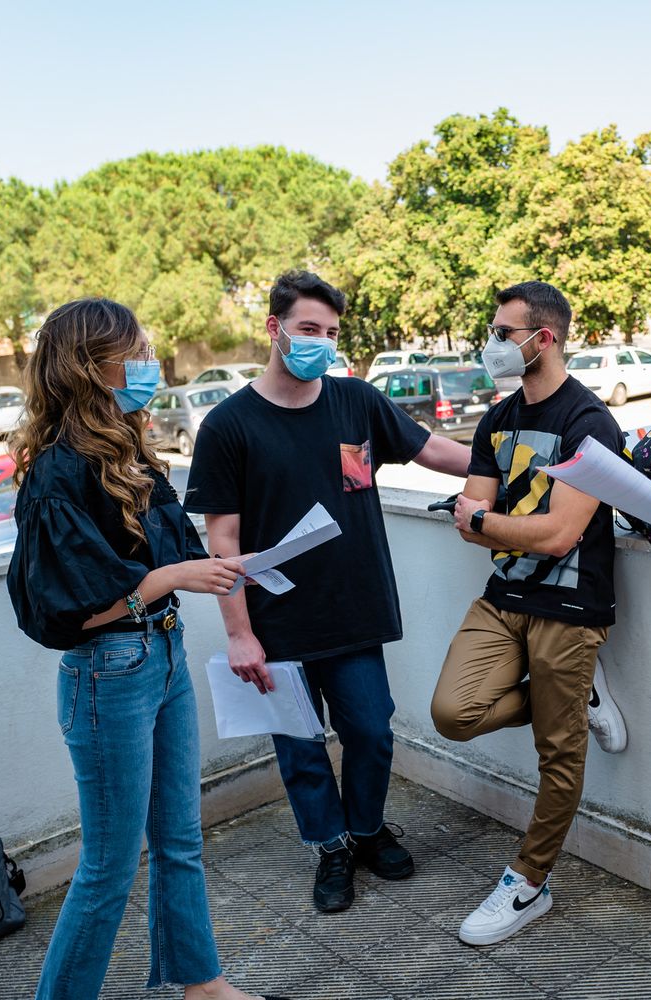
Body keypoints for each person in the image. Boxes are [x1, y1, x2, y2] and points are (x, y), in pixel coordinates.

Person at [7, 298, 287, 1000]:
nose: (150, 364)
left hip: (161, 657)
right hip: (109, 675)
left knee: (180, 841)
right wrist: (166, 578)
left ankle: (203, 985)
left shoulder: (127, 451)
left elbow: (172, 557)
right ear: (90, 367)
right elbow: (69, 607)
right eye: (135, 352)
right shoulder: (56, 474)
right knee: (108, 866)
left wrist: (228, 567)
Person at [185, 270, 471, 914]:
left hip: (354, 609)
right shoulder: (228, 426)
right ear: (274, 328)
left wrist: (512, 461)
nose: (320, 342)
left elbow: (431, 452)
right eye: (308, 329)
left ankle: (368, 830)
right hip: (276, 620)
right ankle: (331, 845)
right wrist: (239, 633)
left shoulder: (356, 402)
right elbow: (222, 541)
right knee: (301, 747)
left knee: (371, 730)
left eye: (332, 333)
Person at [432, 280, 628, 947]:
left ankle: (529, 883)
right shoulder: (497, 420)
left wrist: (488, 520)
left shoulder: (589, 423)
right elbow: (470, 521)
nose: (491, 346)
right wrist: (488, 521)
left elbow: (559, 534)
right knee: (453, 713)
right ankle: (572, 697)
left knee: (559, 750)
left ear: (544, 339)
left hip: (571, 605)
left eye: (502, 333)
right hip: (506, 597)